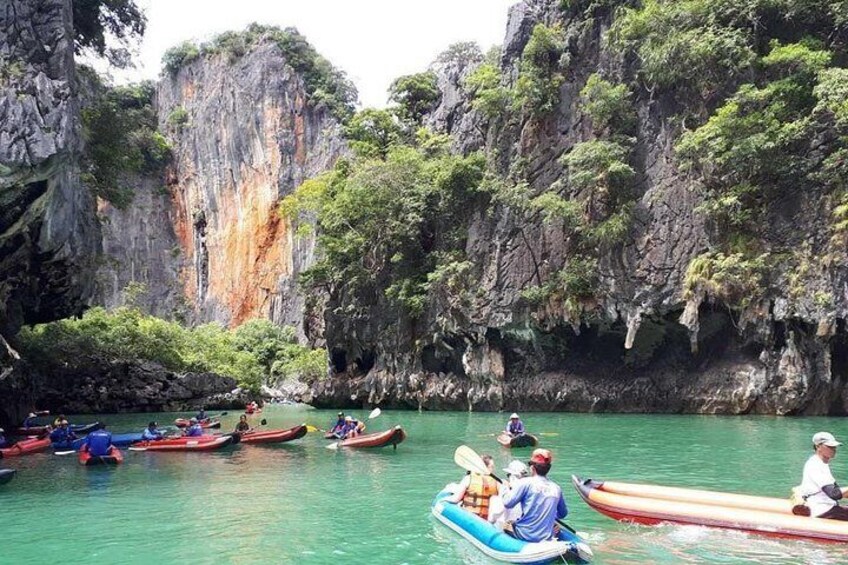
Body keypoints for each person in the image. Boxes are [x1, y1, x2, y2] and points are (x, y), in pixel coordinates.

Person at [502, 448, 567, 542]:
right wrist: (549, 514)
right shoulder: (556, 488)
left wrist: (504, 488)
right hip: (547, 536)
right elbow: (563, 514)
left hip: (524, 534)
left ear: (532, 467)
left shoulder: (525, 482)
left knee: (507, 524)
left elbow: (508, 503)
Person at [800, 431, 848, 520]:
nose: (833, 449)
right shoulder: (815, 465)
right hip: (823, 510)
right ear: (818, 446)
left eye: (834, 447)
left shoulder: (822, 464)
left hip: (828, 507)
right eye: (830, 447)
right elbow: (834, 494)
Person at [445, 454, 500, 521]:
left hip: (469, 515)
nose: (493, 469)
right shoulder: (497, 482)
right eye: (492, 467)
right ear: (486, 468)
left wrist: (444, 499)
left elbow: (455, 499)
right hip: (486, 519)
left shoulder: (468, 478)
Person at [490, 460, 530, 527]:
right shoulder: (530, 490)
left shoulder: (507, 491)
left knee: (494, 499)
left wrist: (504, 488)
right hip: (525, 527)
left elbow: (497, 511)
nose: (508, 477)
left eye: (508, 475)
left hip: (510, 528)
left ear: (513, 477)